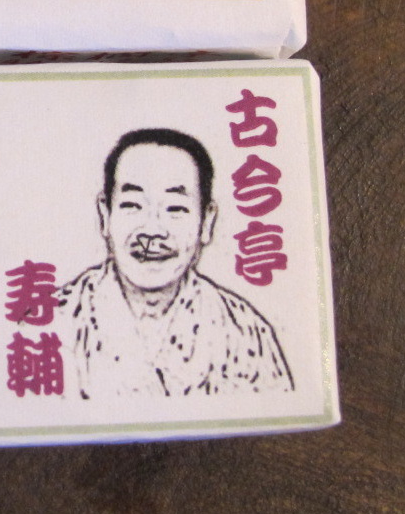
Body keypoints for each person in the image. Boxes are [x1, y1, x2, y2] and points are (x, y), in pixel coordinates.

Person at [62, 128, 291, 399]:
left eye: (175, 208)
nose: (152, 231)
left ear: (206, 222)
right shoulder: (55, 323)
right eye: (132, 205)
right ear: (105, 215)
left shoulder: (245, 334)